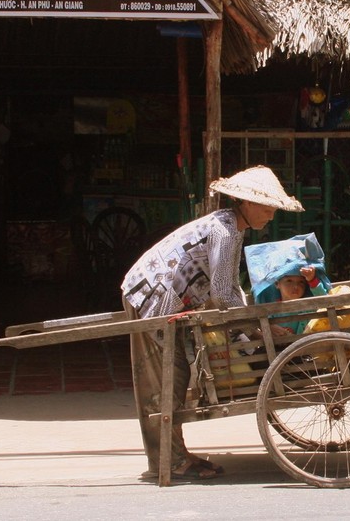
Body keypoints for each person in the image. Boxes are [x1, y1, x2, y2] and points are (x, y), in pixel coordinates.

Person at [121, 165, 303, 481]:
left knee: (176, 374)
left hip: (171, 301)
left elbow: (230, 285)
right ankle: (168, 461)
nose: (271, 215)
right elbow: (221, 295)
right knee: (166, 378)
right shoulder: (226, 230)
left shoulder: (232, 229)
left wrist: (254, 322)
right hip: (151, 296)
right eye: (266, 207)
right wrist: (258, 329)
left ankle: (175, 454)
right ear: (244, 203)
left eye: (273, 208)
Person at [247, 232, 331, 336]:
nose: (295, 287)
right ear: (277, 284)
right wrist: (269, 327)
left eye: (301, 282)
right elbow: (262, 323)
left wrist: (311, 279)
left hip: (310, 349)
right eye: (289, 281)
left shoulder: (309, 304)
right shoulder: (271, 310)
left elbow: (324, 300)